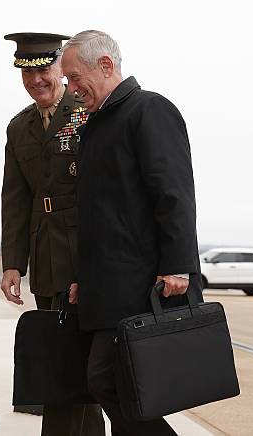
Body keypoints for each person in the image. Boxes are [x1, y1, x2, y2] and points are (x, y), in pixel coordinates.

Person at [61, 30, 203, 435]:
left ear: (105, 65)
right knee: (123, 389)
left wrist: (179, 265)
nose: (70, 89)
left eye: (74, 77)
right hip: (106, 285)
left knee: (107, 381)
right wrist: (81, 276)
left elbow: (174, 193)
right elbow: (97, 214)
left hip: (143, 285)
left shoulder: (150, 110)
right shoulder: (94, 127)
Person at [1, 32, 105, 436]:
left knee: (71, 370)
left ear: (61, 69)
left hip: (82, 255)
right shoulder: (19, 127)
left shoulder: (87, 112)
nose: (36, 81)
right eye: (27, 74)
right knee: (64, 365)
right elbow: (15, 198)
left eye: (43, 70)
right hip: (45, 257)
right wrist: (13, 263)